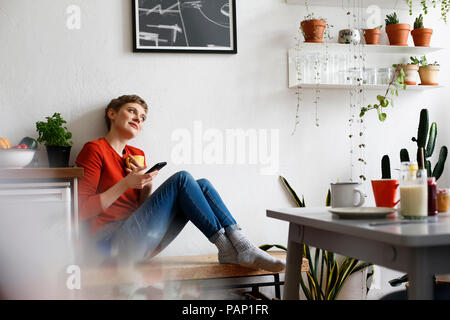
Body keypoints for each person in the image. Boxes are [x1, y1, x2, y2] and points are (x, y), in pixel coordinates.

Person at [75, 94, 285, 272]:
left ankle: (237, 244)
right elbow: (80, 210)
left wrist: (145, 185)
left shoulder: (136, 155)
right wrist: (125, 184)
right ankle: (232, 247)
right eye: (132, 111)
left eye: (143, 117)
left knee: (201, 184)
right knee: (182, 179)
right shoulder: (95, 149)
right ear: (112, 113)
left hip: (141, 241)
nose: (138, 119)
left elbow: (141, 211)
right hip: (110, 245)